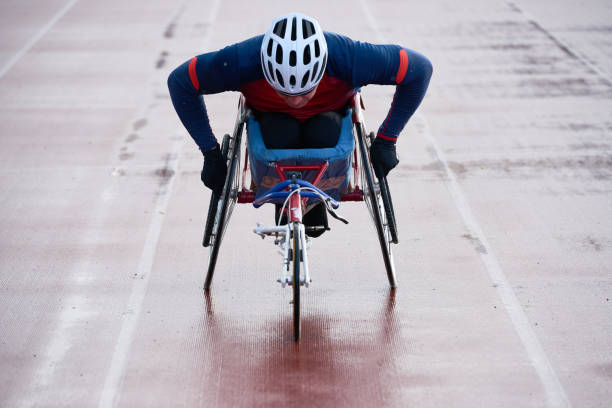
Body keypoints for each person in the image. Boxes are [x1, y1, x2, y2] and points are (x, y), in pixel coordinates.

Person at [168, 12, 432, 235]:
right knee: (279, 132)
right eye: (284, 92)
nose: (296, 101)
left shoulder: (351, 58)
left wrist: (388, 139)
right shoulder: (241, 61)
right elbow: (180, 82)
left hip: (329, 120)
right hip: (271, 124)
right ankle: (282, 194)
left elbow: (420, 69)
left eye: (306, 92)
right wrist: (210, 152)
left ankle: (316, 198)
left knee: (324, 131)